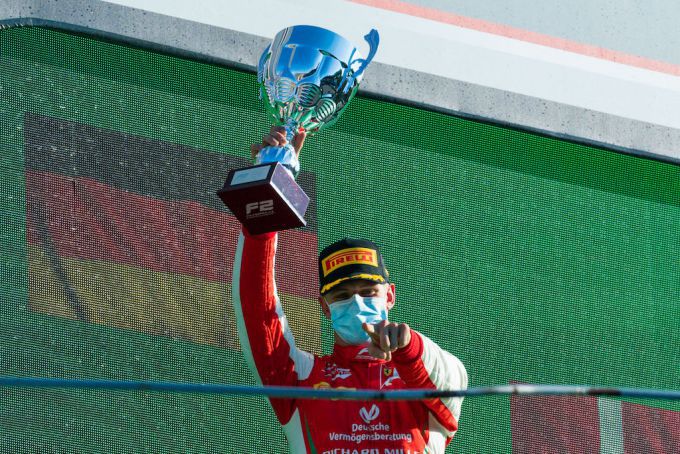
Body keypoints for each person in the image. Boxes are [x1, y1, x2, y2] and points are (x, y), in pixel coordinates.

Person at [231, 126, 468, 454]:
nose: (356, 301)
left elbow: (455, 380)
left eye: (368, 292)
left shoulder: (421, 377)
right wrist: (268, 197)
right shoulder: (301, 380)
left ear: (390, 295)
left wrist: (409, 348)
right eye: (342, 296)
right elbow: (257, 311)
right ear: (324, 307)